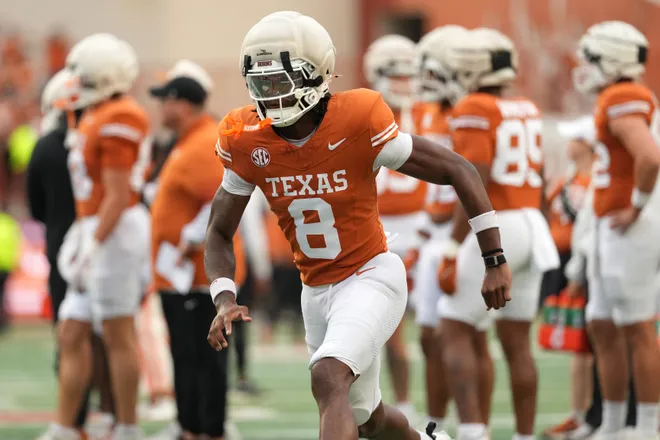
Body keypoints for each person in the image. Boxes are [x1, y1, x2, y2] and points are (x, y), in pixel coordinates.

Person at [205, 11, 512, 440]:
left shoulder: (358, 117)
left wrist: (493, 257)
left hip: (370, 275)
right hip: (315, 290)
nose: (269, 96)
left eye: (279, 82)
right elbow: (220, 229)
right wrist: (223, 298)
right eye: (261, 84)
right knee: (370, 420)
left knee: (328, 376)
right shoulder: (245, 137)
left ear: (316, 74)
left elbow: (459, 169)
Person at [435, 28, 560, 440]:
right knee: (517, 341)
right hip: (530, 223)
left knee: (454, 325)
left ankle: (473, 433)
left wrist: (454, 244)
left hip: (499, 221)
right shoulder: (525, 107)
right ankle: (524, 436)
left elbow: (473, 178)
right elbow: (539, 176)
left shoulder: (475, 106)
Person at [41, 33, 151, 440]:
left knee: (118, 333)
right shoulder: (93, 113)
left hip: (114, 229)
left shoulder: (121, 114)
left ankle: (127, 427)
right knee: (70, 330)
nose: (75, 82)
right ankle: (65, 426)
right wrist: (85, 236)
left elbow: (118, 195)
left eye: (83, 75)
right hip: (95, 227)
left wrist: (93, 243)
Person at [149, 60, 246, 440]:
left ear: (184, 103)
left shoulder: (204, 140)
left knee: (203, 359)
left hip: (195, 274)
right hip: (179, 273)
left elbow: (217, 204)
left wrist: (185, 242)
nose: (160, 108)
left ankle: (210, 429)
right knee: (186, 357)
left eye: (166, 100)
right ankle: (190, 427)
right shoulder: (187, 140)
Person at [572, 21, 660, 440]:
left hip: (632, 230)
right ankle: (609, 426)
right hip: (613, 228)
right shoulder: (616, 95)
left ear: (611, 58)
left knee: (637, 327)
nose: (584, 66)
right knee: (602, 325)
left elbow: (649, 157)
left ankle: (645, 428)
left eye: (590, 57)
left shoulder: (623, 95)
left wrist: (637, 208)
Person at [363, 33, 424, 421]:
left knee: (432, 331)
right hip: (383, 229)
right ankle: (396, 405)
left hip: (424, 229)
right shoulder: (370, 112)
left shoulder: (430, 111)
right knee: (390, 331)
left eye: (408, 74)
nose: (403, 82)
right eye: (394, 74)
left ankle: (414, 406)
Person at [540, 116, 595, 439]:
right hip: (564, 263)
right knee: (580, 347)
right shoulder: (565, 182)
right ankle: (580, 415)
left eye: (574, 139)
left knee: (590, 346)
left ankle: (587, 414)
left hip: (583, 265)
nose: (568, 144)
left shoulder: (592, 183)